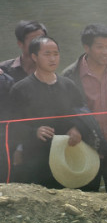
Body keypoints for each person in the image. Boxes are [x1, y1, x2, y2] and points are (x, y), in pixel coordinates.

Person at [8, 37, 98, 188]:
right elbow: (11, 126)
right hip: (35, 157)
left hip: (67, 154)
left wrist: (78, 128)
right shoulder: (20, 89)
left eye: (56, 54)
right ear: (34, 57)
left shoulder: (69, 86)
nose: (53, 59)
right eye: (47, 54)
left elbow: (84, 114)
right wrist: (34, 132)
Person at [62, 24, 107, 192]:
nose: (106, 52)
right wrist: (71, 127)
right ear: (86, 47)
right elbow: (65, 111)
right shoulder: (70, 75)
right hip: (86, 147)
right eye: (100, 47)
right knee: (86, 196)